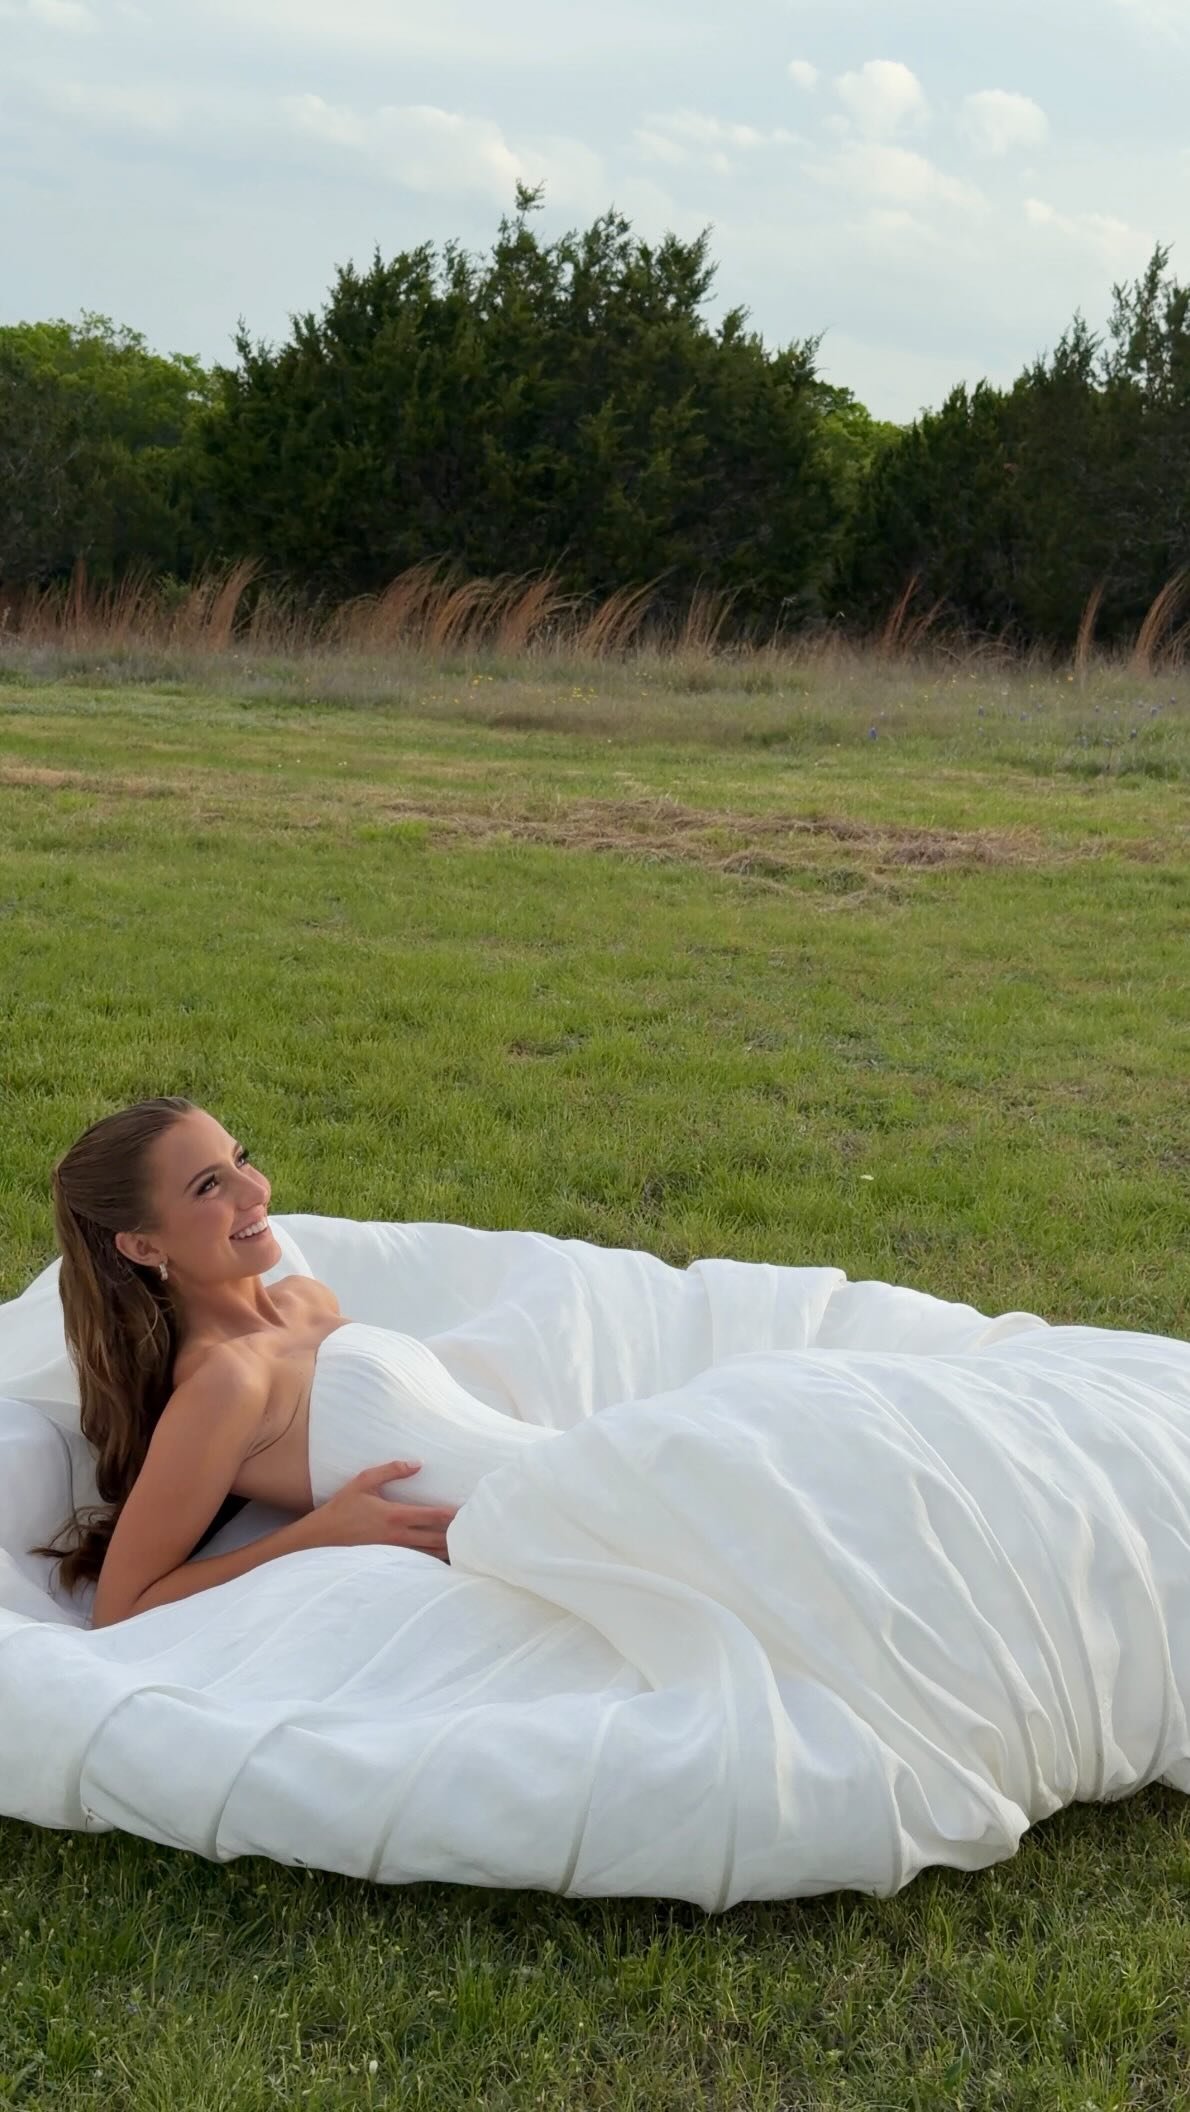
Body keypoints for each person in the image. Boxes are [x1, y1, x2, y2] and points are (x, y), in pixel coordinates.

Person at [43, 1096, 487, 1628]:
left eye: (241, 1159)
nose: (256, 1190)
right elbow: (121, 1606)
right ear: (143, 1247)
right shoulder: (226, 1382)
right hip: (509, 1524)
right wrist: (317, 1535)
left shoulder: (307, 1297)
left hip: (541, 1467)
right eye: (209, 1186)